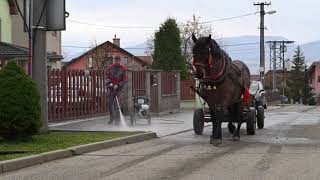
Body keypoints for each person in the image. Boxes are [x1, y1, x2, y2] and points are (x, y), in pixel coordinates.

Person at [104, 56, 128, 124]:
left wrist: (118, 85)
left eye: (118, 61)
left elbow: (125, 80)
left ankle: (117, 121)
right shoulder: (110, 68)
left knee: (117, 105)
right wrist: (110, 83)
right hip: (111, 89)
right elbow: (106, 77)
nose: (117, 62)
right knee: (109, 104)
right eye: (116, 60)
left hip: (119, 90)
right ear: (114, 60)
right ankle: (112, 118)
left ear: (120, 61)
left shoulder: (123, 69)